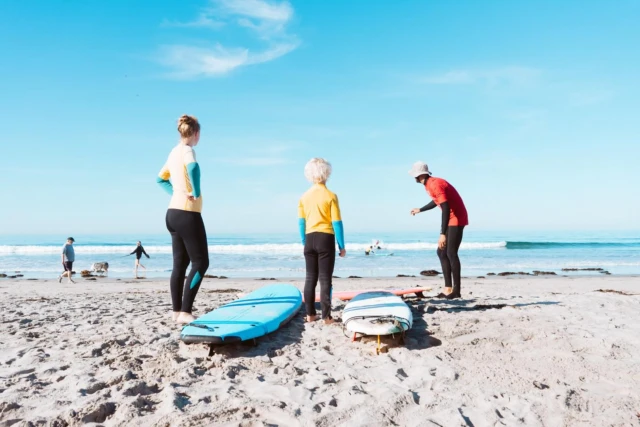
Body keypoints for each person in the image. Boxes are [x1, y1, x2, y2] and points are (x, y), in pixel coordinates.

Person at [157, 115, 209, 324]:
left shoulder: (173, 152)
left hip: (172, 213)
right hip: (188, 213)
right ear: (196, 133)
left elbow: (160, 179)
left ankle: (176, 311)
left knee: (180, 264)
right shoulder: (188, 150)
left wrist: (176, 192)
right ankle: (186, 312)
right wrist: (194, 191)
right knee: (201, 262)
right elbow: (193, 168)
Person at [409, 161, 468, 299]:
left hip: (456, 218)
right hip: (451, 218)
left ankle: (456, 291)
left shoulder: (436, 184)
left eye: (414, 175)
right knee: (441, 252)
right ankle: (448, 288)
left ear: (420, 175)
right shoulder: (428, 185)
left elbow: (445, 208)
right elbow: (437, 202)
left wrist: (442, 234)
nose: (413, 178)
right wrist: (420, 209)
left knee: (451, 253)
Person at [298, 158, 346, 324]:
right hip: (325, 238)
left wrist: (304, 240)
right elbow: (337, 223)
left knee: (310, 278)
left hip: (310, 238)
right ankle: (326, 317)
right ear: (327, 173)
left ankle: (310, 314)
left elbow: (301, 223)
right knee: (325, 279)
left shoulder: (304, 197)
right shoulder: (330, 196)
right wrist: (341, 245)